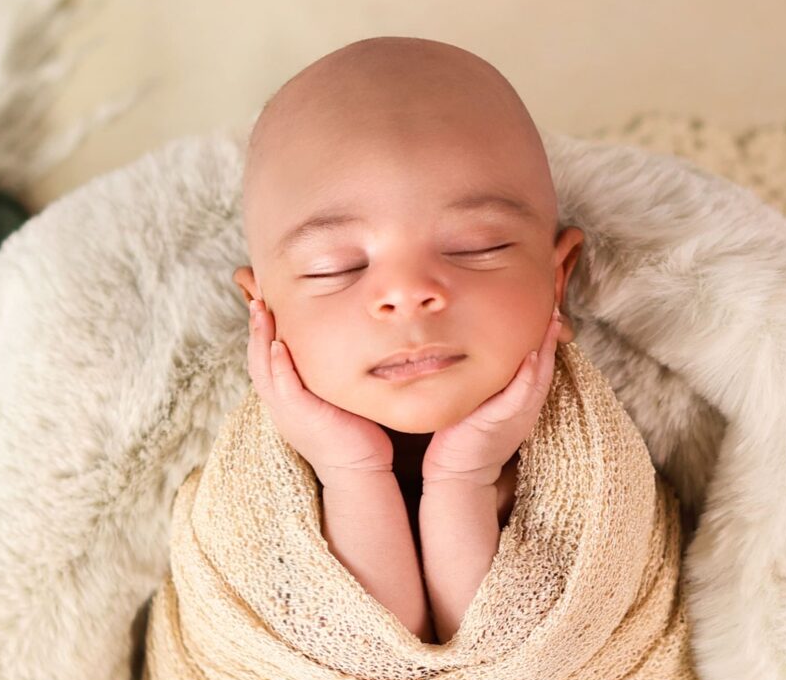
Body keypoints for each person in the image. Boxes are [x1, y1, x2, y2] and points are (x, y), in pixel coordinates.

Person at [231, 35, 583, 643]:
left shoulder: (587, 478)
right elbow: (366, 666)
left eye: (476, 247)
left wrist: (465, 478)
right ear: (263, 311)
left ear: (558, 282)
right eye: (334, 267)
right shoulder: (253, 504)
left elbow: (509, 670)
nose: (408, 293)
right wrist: (349, 473)